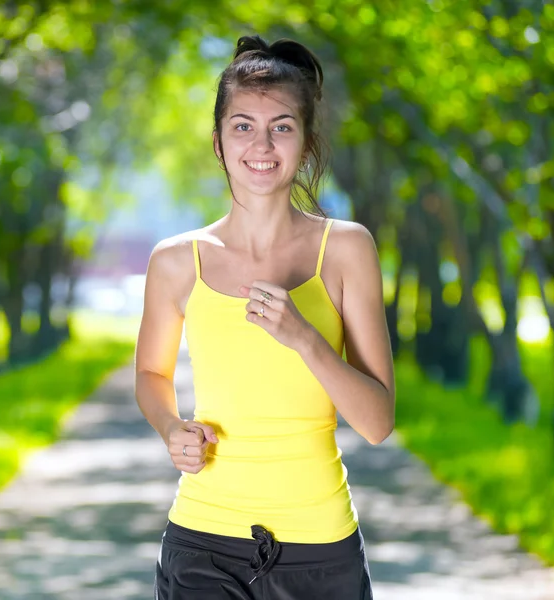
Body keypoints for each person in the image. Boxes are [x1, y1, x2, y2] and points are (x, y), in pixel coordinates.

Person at [135, 33, 395, 600]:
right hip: (203, 540)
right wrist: (171, 428)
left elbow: (377, 423)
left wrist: (305, 338)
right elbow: (152, 376)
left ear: (305, 143)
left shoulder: (347, 250)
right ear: (219, 142)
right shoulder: (179, 260)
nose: (262, 143)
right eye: (242, 126)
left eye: (281, 126)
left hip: (320, 548)